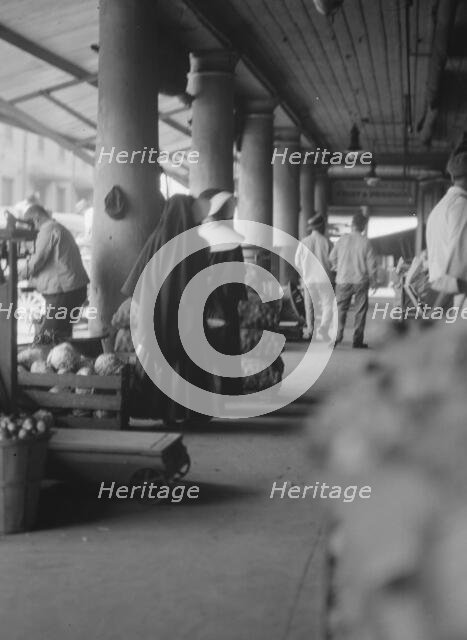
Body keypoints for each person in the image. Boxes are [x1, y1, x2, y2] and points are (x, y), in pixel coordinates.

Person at [121, 193, 215, 425]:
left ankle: (162, 412)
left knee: (161, 357)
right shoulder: (198, 242)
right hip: (188, 312)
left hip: (157, 312)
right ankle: (190, 412)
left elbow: (137, 278)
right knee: (189, 359)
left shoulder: (156, 238)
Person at [198, 189, 248, 395]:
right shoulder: (231, 238)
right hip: (225, 301)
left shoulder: (196, 234)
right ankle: (229, 390)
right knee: (227, 345)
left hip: (200, 300)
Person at [18, 204, 89, 343]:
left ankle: (54, 361)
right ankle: (64, 361)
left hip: (64, 292)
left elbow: (38, 260)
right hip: (71, 290)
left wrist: (17, 275)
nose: (33, 229)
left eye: (31, 224)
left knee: (47, 338)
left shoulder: (49, 229)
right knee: (61, 337)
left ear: (36, 219)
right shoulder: (57, 228)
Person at [426, 134, 467, 310]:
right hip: (456, 301)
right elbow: (456, 272)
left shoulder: (438, 209)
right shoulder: (461, 206)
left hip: (445, 297)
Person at [329, 212, 377, 348]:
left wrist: (338, 267)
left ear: (352, 224)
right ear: (363, 226)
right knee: (360, 310)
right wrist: (374, 280)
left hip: (343, 280)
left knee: (340, 309)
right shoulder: (365, 242)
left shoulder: (342, 240)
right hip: (361, 280)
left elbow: (332, 257)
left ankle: (337, 337)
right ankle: (357, 340)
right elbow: (371, 264)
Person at [294, 213, 334, 341]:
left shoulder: (304, 242)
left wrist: (304, 272)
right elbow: (333, 262)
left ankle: (310, 331)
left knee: (309, 306)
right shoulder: (327, 242)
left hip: (309, 279)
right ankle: (323, 328)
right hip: (324, 279)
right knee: (328, 305)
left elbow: (297, 262)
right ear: (322, 226)